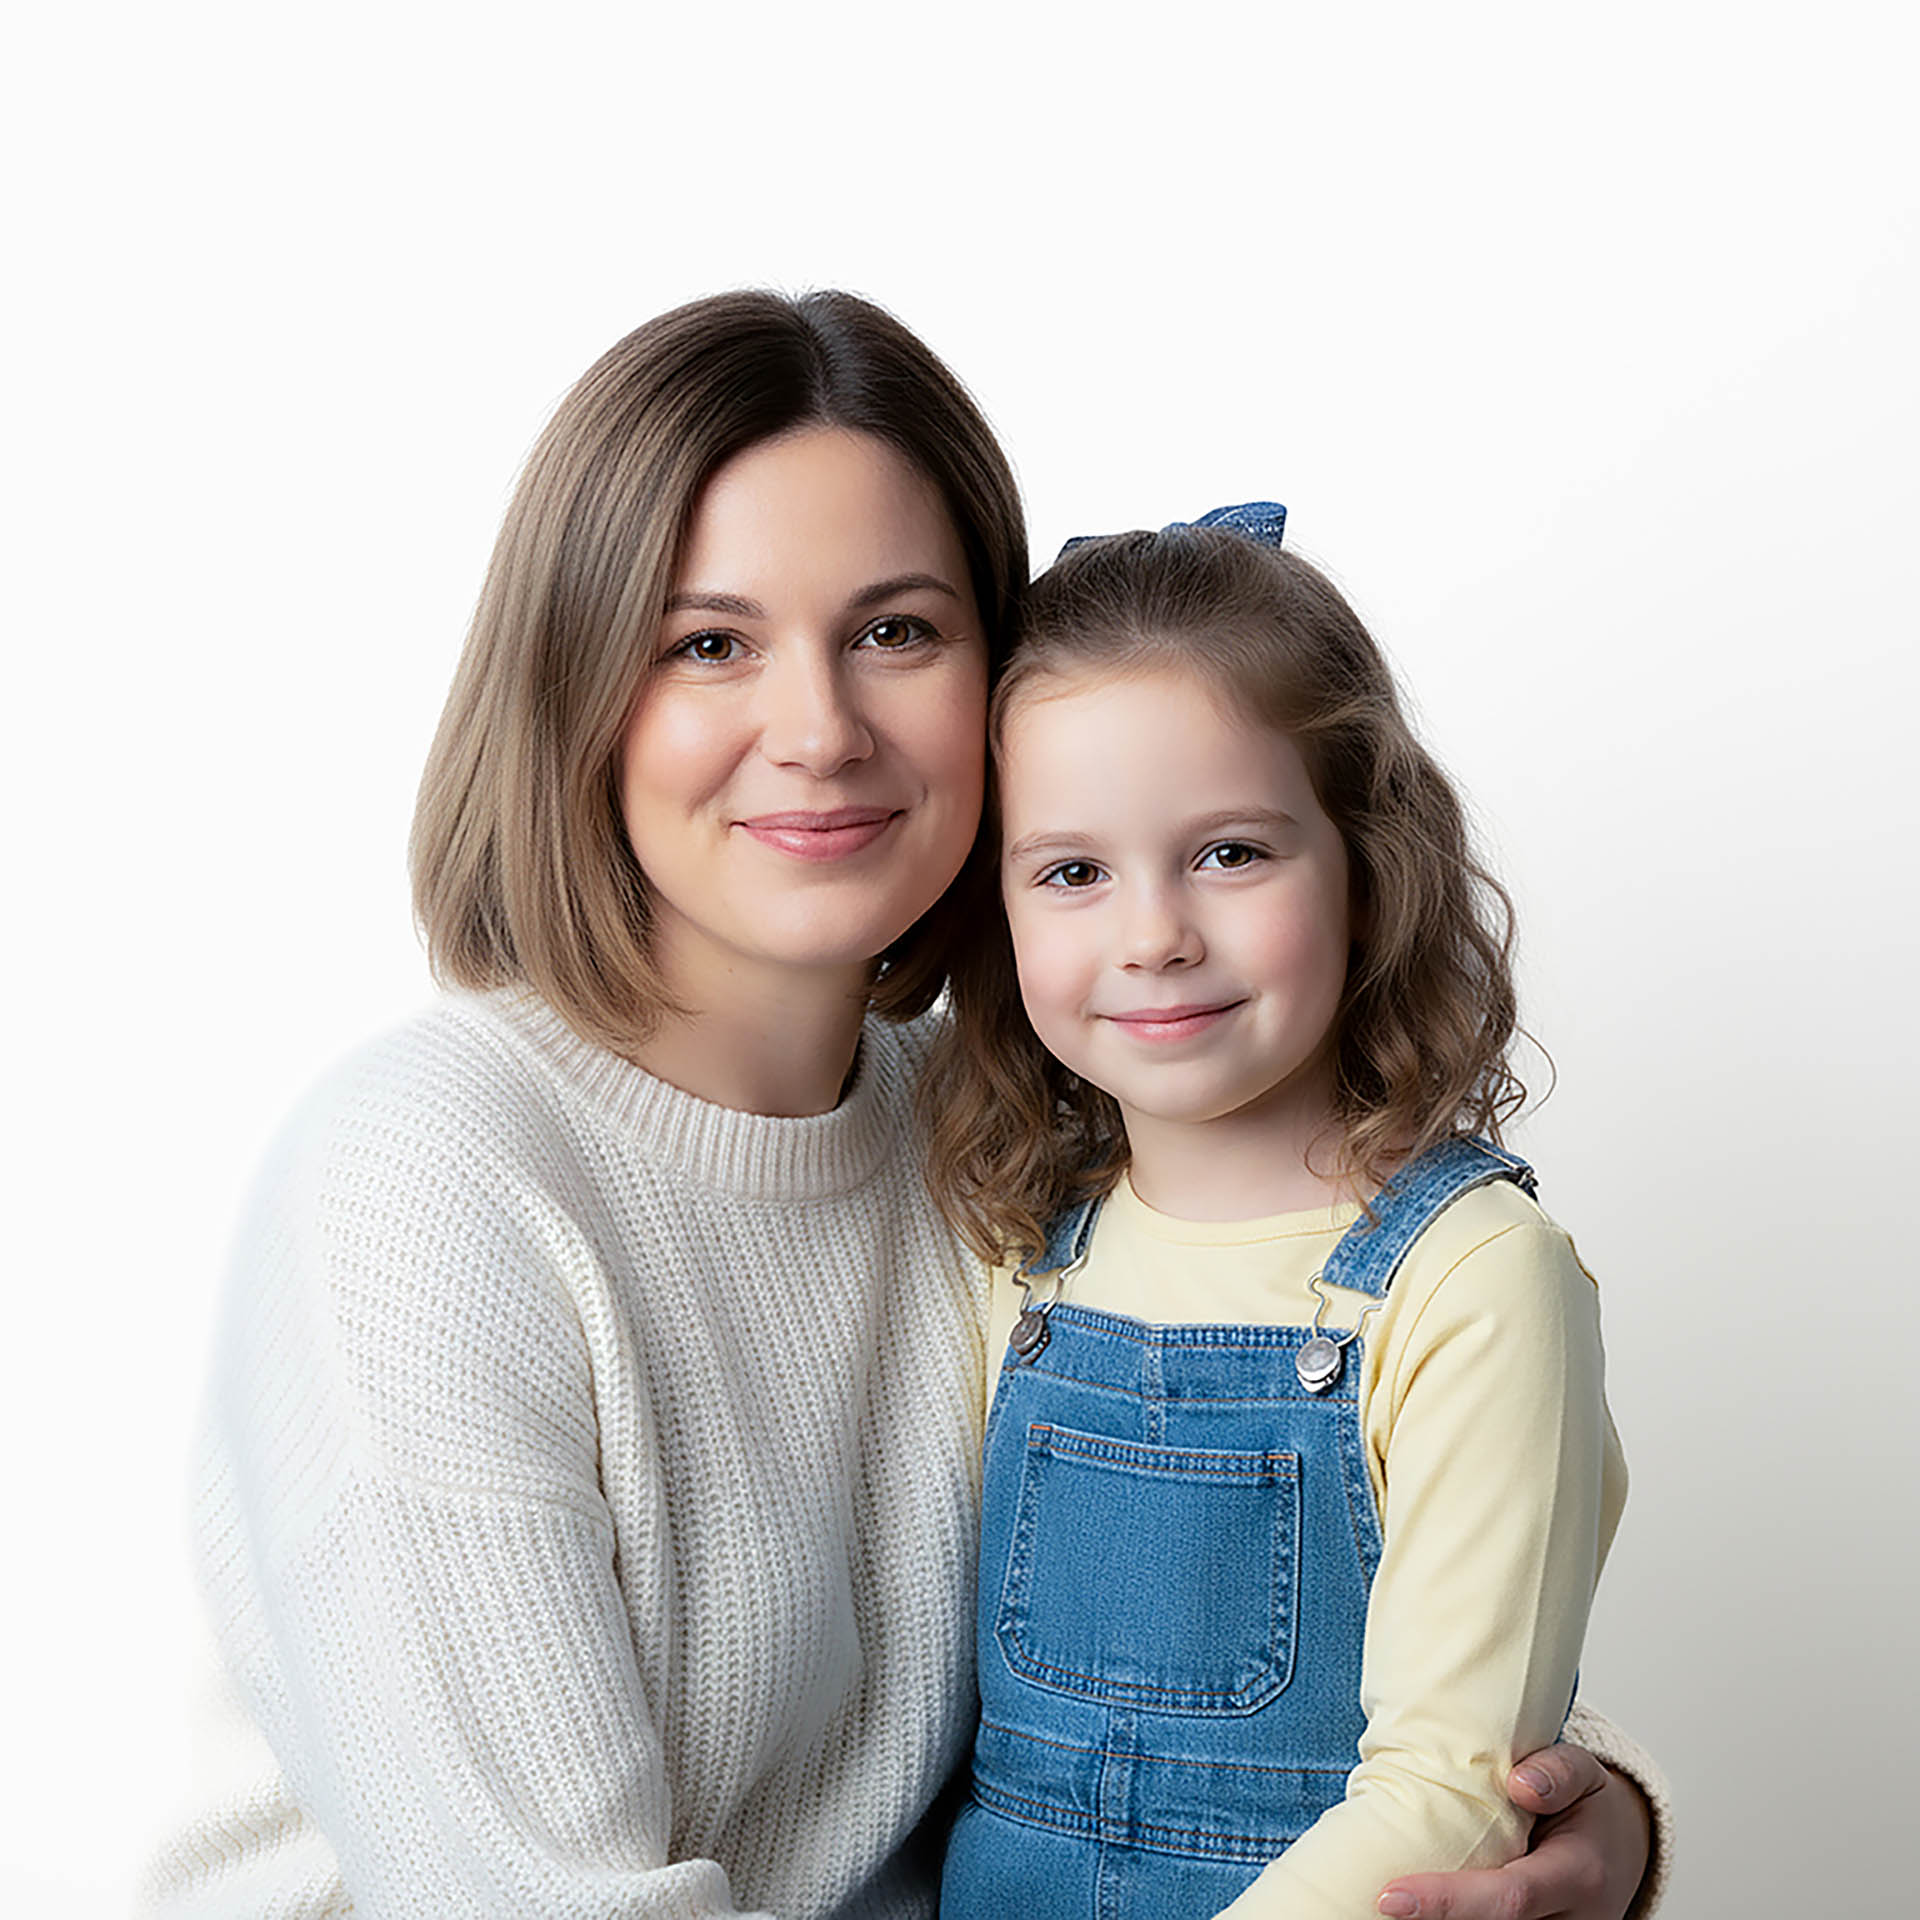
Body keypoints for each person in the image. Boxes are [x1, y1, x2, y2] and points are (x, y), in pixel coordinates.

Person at [138, 296, 1665, 1920]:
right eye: (708, 641)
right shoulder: (425, 1189)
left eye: (896, 631)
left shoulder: (1013, 1155)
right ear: (578, 690)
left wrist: (1590, 1823)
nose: (818, 730)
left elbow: (1291, 1672)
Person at [924, 510, 1640, 1920]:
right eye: (1072, 870)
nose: (1154, 936)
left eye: (1232, 853)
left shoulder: (1476, 1283)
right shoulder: (1012, 1249)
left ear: (1368, 871)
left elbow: (1446, 1793)